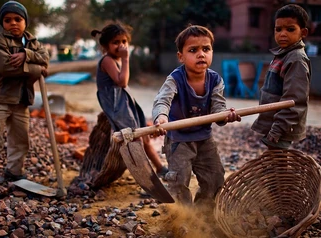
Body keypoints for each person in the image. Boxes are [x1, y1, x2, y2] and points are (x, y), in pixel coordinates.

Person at [152, 25, 241, 207]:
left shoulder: (216, 80)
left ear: (212, 52)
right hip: (179, 140)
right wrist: (161, 117)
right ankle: (182, 219)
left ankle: (203, 214)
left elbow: (218, 108)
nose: (201, 54)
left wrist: (224, 116)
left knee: (215, 177)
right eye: (193, 50)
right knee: (179, 181)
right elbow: (162, 100)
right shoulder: (175, 79)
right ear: (181, 57)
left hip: (204, 139)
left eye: (206, 49)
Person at [0, 0, 49, 198]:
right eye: (8, 20)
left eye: (18, 19)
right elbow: (6, 68)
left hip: (22, 99)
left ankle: (14, 173)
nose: (13, 23)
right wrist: (36, 68)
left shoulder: (33, 42)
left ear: (25, 22)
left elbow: (45, 57)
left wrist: (26, 54)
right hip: (0, 98)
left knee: (20, 139)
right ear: (2, 24)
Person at [91, 22, 168, 177]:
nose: (121, 46)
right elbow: (122, 81)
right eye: (115, 42)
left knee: (143, 136)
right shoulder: (107, 61)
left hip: (124, 102)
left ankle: (159, 167)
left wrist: (124, 60)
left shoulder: (117, 59)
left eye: (124, 42)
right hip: (116, 105)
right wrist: (126, 59)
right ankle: (146, 174)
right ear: (105, 46)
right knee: (134, 140)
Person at [251, 4, 311, 150]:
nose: (282, 34)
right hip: (275, 124)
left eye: (290, 29)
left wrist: (278, 129)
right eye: (278, 29)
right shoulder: (283, 55)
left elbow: (294, 100)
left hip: (282, 128)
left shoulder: (296, 59)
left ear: (303, 32)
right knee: (274, 165)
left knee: (279, 166)